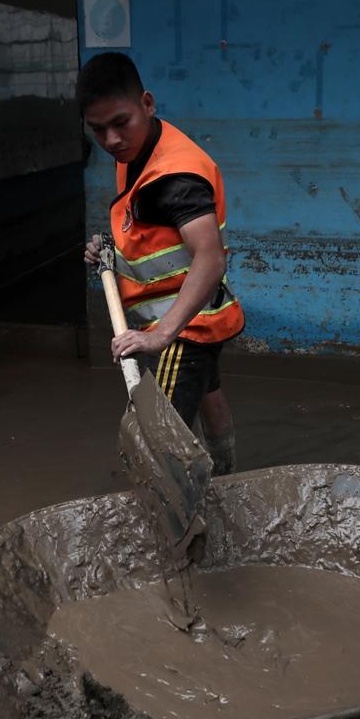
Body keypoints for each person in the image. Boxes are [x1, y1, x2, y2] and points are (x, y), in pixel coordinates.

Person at [78, 52, 243, 475]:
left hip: (185, 326)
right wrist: (109, 254)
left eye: (121, 122)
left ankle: (176, 532)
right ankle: (228, 484)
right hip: (200, 314)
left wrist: (160, 336)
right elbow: (150, 233)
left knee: (154, 446)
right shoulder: (139, 150)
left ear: (147, 104)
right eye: (98, 129)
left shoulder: (175, 177)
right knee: (208, 394)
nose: (112, 139)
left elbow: (210, 257)